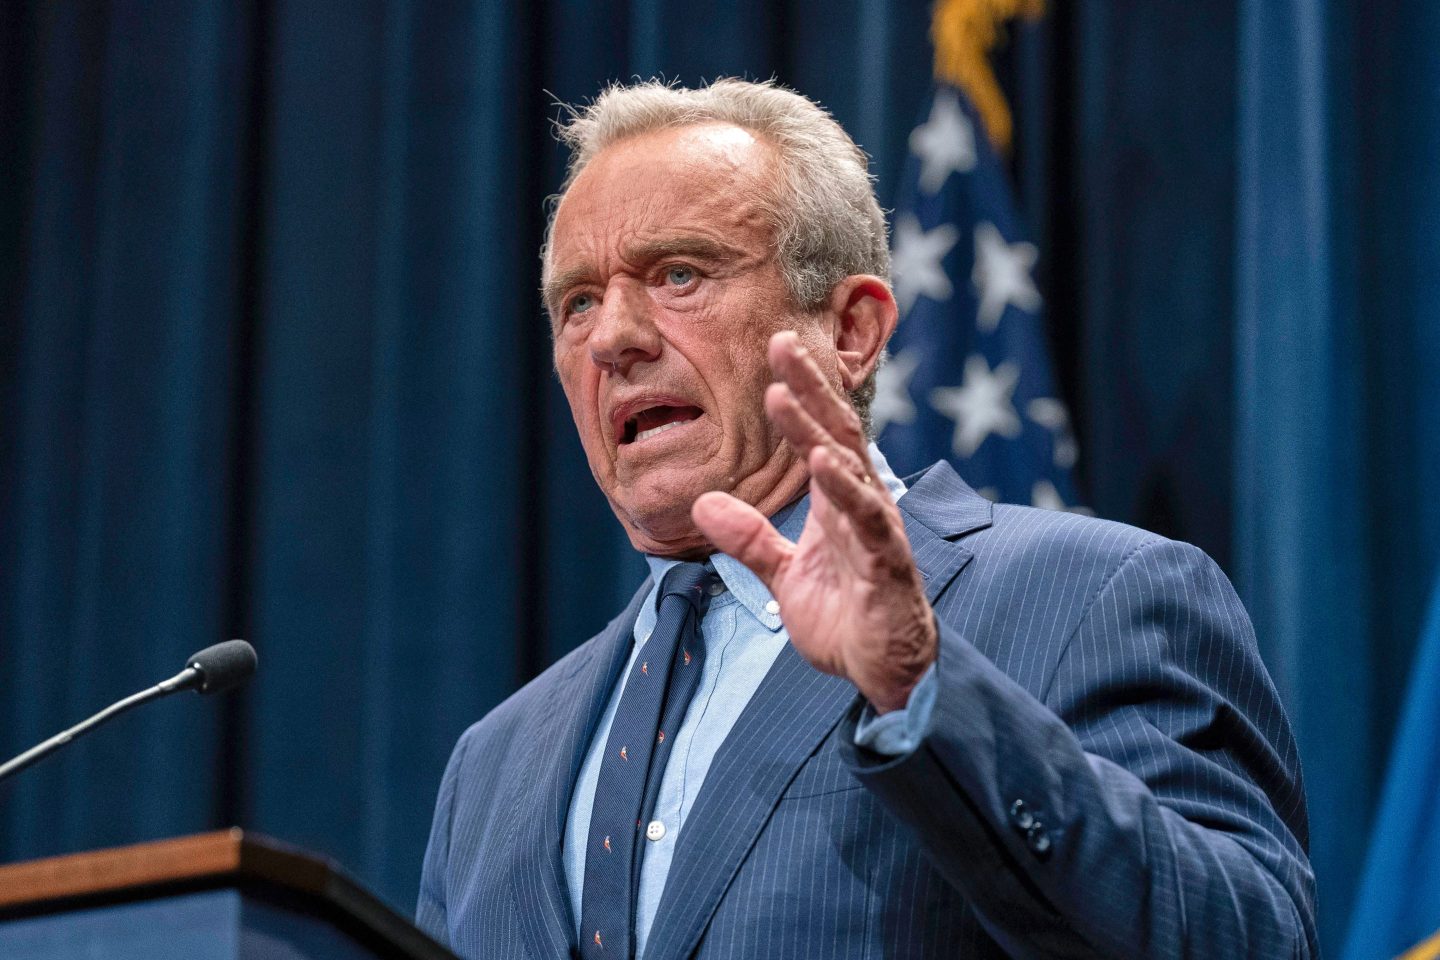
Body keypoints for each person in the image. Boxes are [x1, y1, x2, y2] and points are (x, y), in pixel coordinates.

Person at [417, 78, 1317, 959]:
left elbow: (1251, 941)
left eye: (679, 274)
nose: (613, 337)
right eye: (577, 302)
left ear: (850, 330)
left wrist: (922, 689)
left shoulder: (1096, 595)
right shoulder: (492, 765)